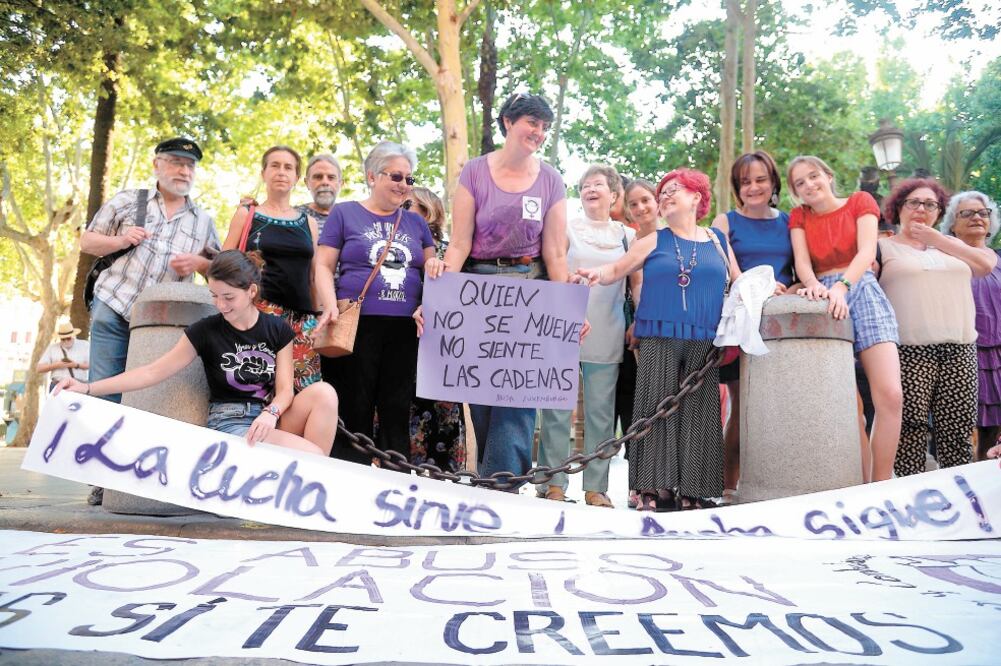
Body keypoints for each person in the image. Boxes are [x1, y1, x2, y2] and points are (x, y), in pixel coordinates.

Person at [55, 250, 337, 455]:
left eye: (229, 297)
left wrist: (271, 414)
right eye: (214, 296)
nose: (220, 305)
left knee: (325, 393)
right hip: (230, 423)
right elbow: (152, 372)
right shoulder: (206, 331)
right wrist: (88, 387)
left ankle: (311, 488)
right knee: (312, 456)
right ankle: (314, 487)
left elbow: (285, 390)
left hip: (268, 416)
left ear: (251, 291)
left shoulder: (277, 329)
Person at [423, 92, 569, 483]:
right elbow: (458, 244)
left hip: (531, 287)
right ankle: (492, 476)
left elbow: (555, 252)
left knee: (518, 397)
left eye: (543, 126)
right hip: (477, 288)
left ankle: (502, 485)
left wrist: (570, 311)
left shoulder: (552, 180)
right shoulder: (473, 172)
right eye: (531, 123)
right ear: (508, 122)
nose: (537, 132)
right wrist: (436, 299)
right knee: (483, 395)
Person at [579, 168, 737, 511]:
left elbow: (738, 283)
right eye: (662, 191)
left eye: (674, 189)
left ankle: (695, 489)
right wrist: (597, 274)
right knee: (654, 408)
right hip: (657, 333)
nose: (665, 195)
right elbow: (617, 270)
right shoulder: (651, 240)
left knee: (700, 411)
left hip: (704, 336)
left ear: (696, 197)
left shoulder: (716, 240)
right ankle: (652, 489)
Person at [314, 141, 435, 467]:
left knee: (396, 408)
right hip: (355, 323)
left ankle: (396, 486)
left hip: (404, 329)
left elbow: (436, 273)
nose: (404, 185)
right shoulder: (345, 212)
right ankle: (348, 484)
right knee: (354, 408)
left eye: (409, 179)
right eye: (396, 176)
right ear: (372, 175)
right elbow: (323, 265)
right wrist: (329, 305)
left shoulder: (416, 223)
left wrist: (428, 303)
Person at [787, 155, 902, 483]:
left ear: (828, 174)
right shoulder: (799, 216)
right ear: (795, 192)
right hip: (823, 296)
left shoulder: (859, 202)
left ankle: (881, 484)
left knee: (890, 395)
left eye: (813, 176)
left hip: (860, 287)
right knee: (849, 407)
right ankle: (862, 487)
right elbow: (802, 263)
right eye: (800, 183)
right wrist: (814, 288)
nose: (809, 185)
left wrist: (842, 286)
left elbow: (867, 251)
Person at [81, 137, 220, 405]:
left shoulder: (204, 222)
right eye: (177, 163)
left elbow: (221, 272)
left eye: (190, 166)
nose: (184, 171)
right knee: (104, 393)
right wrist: (120, 241)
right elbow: (87, 242)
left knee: (149, 398)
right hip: (113, 306)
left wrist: (199, 263)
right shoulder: (129, 200)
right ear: (157, 165)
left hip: (163, 321)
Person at [877, 179, 996, 476]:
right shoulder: (883, 246)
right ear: (898, 208)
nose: (921, 209)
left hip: (960, 349)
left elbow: (985, 266)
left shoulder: (952, 245)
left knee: (957, 434)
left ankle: (959, 503)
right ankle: (911, 505)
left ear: (939, 212)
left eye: (930, 204)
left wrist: (939, 240)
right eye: (913, 203)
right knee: (910, 433)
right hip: (910, 351)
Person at [536, 165, 637, 507]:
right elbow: (553, 271)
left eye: (598, 184)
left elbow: (635, 283)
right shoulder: (565, 229)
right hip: (564, 325)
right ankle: (551, 482)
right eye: (584, 185)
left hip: (607, 329)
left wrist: (635, 322)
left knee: (600, 413)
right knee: (556, 408)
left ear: (614, 194)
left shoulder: (628, 236)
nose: (590, 189)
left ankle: (596, 487)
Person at [710, 150, 792, 502]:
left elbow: (803, 269)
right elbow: (732, 273)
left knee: (781, 410)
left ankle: (779, 482)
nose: (754, 187)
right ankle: (729, 486)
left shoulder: (790, 221)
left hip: (785, 325)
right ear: (737, 188)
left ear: (773, 182)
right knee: (742, 410)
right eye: (746, 182)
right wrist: (759, 286)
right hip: (742, 322)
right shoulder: (725, 222)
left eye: (760, 179)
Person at [223, 146, 321, 392]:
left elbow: (314, 275)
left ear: (297, 178)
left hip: (301, 322)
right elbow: (223, 266)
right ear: (263, 173)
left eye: (288, 167)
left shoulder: (307, 222)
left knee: (304, 392)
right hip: (257, 314)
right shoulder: (247, 214)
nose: (281, 172)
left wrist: (319, 319)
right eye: (274, 166)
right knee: (255, 389)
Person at [406, 187, 466, 471]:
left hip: (442, 346)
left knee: (442, 412)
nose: (402, 209)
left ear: (428, 211)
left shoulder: (448, 252)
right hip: (405, 338)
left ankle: (443, 470)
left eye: (410, 205)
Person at [940, 190, 1001, 460]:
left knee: (995, 429)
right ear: (952, 224)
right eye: (967, 213)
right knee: (957, 426)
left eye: (982, 212)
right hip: (960, 352)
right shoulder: (942, 260)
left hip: (998, 355)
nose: (977, 217)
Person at [618, 179, 659, 508]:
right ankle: (640, 481)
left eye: (646, 200)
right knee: (641, 408)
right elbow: (637, 286)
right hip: (646, 326)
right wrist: (639, 321)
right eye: (634, 204)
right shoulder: (635, 241)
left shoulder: (680, 233)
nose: (641, 208)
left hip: (681, 326)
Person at [37, 317, 90, 391]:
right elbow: (39, 368)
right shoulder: (52, 348)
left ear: (73, 336)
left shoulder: (85, 345)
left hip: (79, 384)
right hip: (57, 384)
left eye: (68, 338)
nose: (66, 341)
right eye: (63, 339)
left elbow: (92, 365)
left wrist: (76, 365)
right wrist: (56, 365)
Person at [297, 154, 342, 234]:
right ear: (307, 183)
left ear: (340, 184)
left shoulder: (353, 218)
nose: (325, 182)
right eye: (318, 177)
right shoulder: (293, 217)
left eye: (331, 177)